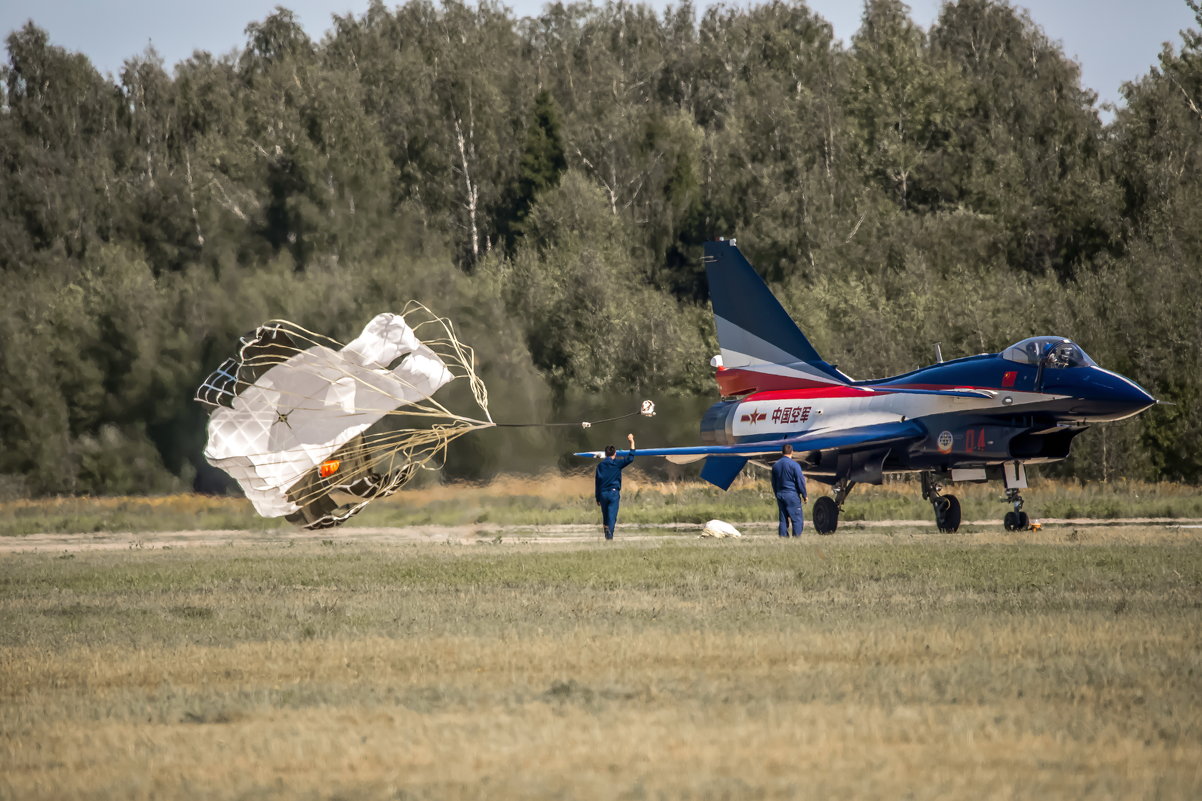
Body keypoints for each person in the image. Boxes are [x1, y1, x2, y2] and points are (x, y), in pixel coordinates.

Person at [595, 433, 636, 540]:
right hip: (613, 493)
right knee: (612, 517)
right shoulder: (617, 463)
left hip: (603, 494)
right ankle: (609, 536)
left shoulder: (600, 466)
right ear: (615, 453)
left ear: (605, 454)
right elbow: (630, 458)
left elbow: (597, 482)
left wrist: (597, 497)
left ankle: (607, 535)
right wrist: (631, 442)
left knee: (605, 517)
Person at [770, 444, 807, 537]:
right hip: (792, 494)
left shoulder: (775, 465)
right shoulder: (795, 465)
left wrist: (776, 493)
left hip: (780, 494)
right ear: (792, 452)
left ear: (782, 452)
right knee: (797, 519)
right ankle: (796, 538)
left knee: (783, 519)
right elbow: (800, 481)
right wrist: (804, 495)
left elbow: (773, 482)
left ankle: (783, 538)